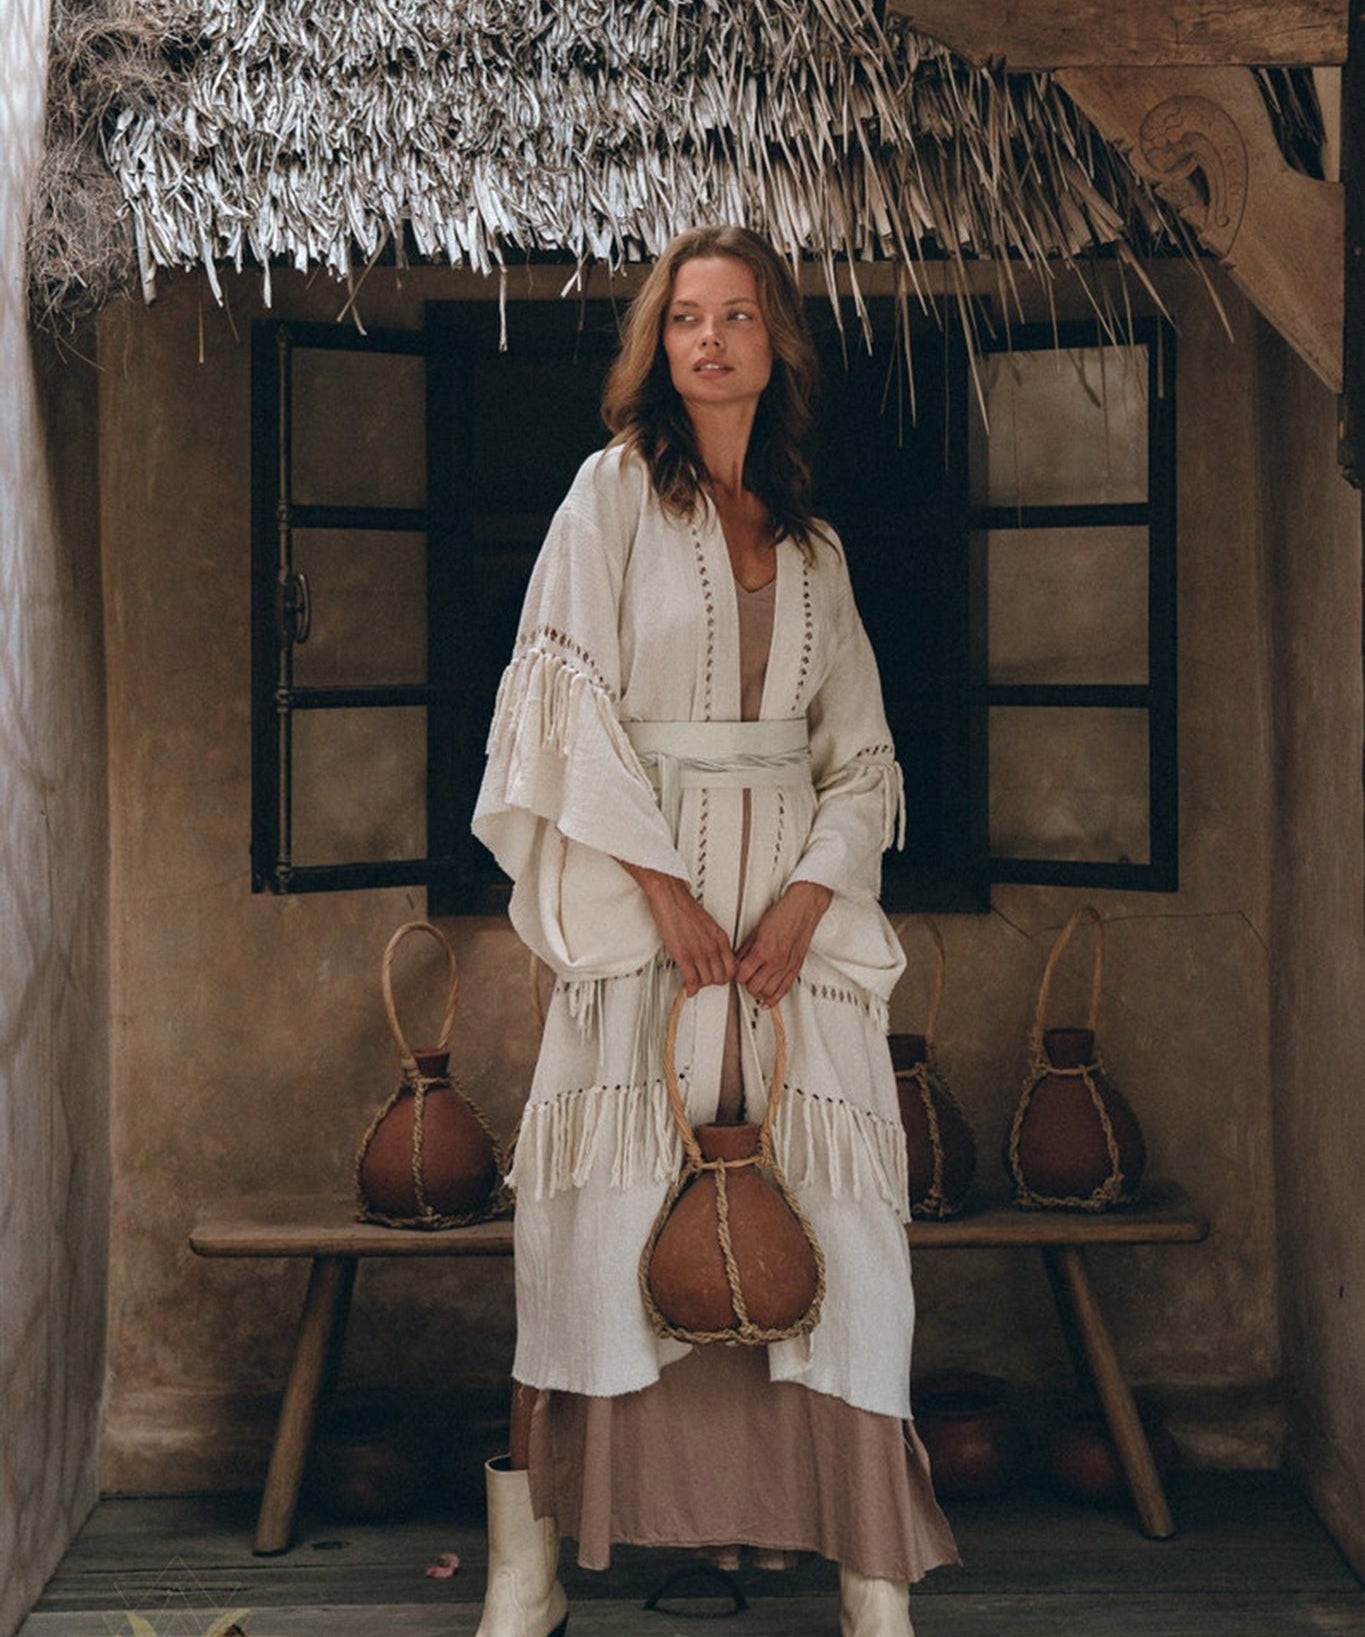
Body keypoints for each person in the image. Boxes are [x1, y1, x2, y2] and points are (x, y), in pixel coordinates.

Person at [471, 224, 957, 1637]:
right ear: (657, 343)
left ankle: (871, 1579)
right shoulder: (607, 496)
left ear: (771, 344)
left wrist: (810, 892)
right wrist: (663, 890)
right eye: (684, 316)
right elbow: (557, 699)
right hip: (649, 930)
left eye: (736, 315)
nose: (708, 338)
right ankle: (526, 1569)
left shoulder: (813, 546)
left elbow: (858, 758)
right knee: (587, 1220)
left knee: (845, 1229)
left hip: (791, 951)